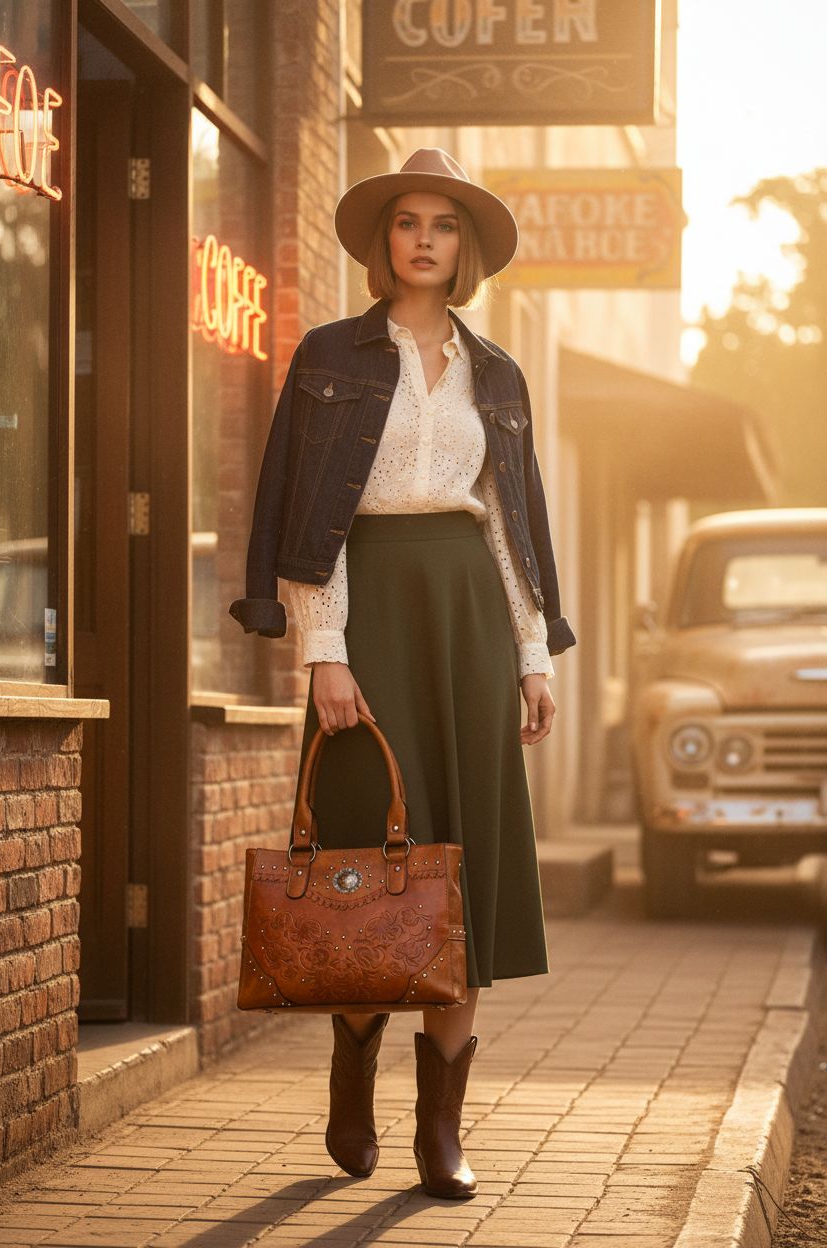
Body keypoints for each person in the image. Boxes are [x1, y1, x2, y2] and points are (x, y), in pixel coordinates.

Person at [230, 148, 575, 1200]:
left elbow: (513, 530)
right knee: (366, 869)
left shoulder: (496, 372)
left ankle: (441, 1131)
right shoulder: (330, 355)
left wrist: (530, 656)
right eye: (407, 221)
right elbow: (305, 516)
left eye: (443, 224)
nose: (423, 238)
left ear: (463, 248)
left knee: (458, 869)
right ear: (383, 242)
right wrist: (324, 651)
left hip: (467, 610)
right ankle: (351, 1074)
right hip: (367, 605)